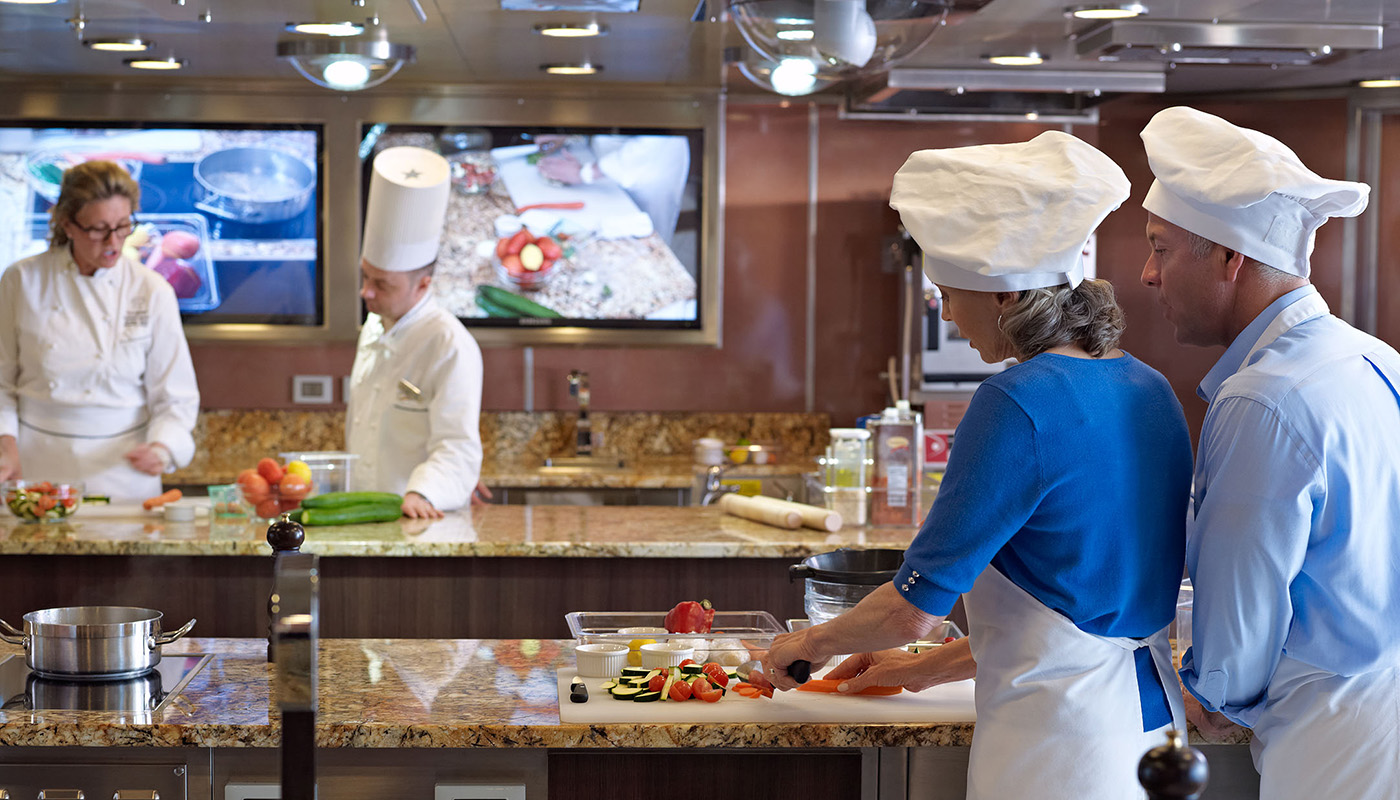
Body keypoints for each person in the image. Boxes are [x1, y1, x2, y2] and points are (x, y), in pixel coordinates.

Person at [762, 131, 1194, 800]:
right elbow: (1072, 613)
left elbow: (912, 612)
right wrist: (922, 671)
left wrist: (808, 647)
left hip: (1057, 749)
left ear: (1005, 297)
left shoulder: (1014, 404)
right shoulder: (1149, 388)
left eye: (947, 292)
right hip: (1147, 732)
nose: (946, 312)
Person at [1138, 106, 1400, 799]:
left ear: (1230, 257)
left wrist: (1214, 694)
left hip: (1332, 741)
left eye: (1161, 248)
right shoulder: (1375, 359)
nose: (1146, 274)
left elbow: (1243, 607)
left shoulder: (1263, 398)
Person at [0, 160, 199, 500]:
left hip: (124, 474)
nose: (113, 241)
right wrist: (6, 445)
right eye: (98, 229)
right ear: (68, 225)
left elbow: (175, 396)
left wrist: (163, 449)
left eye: (123, 226)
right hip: (37, 469)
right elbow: (2, 382)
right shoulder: (22, 280)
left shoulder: (152, 290)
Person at [347, 146, 486, 519]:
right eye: (365, 276)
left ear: (422, 285)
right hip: (364, 514)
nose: (366, 292)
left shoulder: (449, 344)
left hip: (417, 517)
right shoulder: (375, 324)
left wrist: (426, 492)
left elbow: (458, 446)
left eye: (382, 284)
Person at [533, 134, 691, 244]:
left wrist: (586, 172)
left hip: (650, 167)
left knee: (648, 238)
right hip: (603, 158)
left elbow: (652, 141)